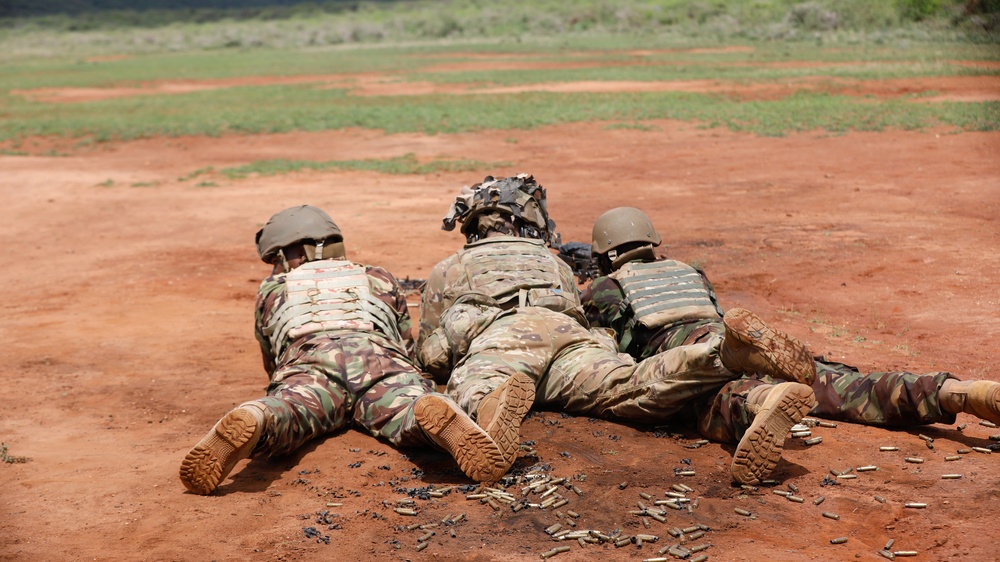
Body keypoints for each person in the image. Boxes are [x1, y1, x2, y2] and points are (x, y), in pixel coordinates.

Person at [416, 174, 816, 478]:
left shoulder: (451, 267)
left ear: (473, 225)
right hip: (570, 341)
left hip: (504, 337)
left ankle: (489, 410)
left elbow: (432, 354)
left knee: (473, 383)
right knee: (629, 384)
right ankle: (721, 354)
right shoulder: (554, 264)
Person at [582, 206, 1000, 484]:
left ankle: (763, 401)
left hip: (685, 355)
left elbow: (606, 355)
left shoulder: (606, 287)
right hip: (725, 336)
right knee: (840, 383)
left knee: (712, 402)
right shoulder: (689, 271)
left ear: (604, 256)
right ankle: (962, 393)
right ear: (654, 243)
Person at [179, 205, 531, 495]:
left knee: (292, 410)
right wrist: (408, 380)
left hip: (312, 364)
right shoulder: (377, 276)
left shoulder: (275, 287)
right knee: (404, 407)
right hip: (379, 360)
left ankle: (258, 417)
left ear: (293, 254)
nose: (274, 267)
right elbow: (404, 346)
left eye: (276, 259)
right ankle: (427, 410)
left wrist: (283, 387)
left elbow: (272, 359)